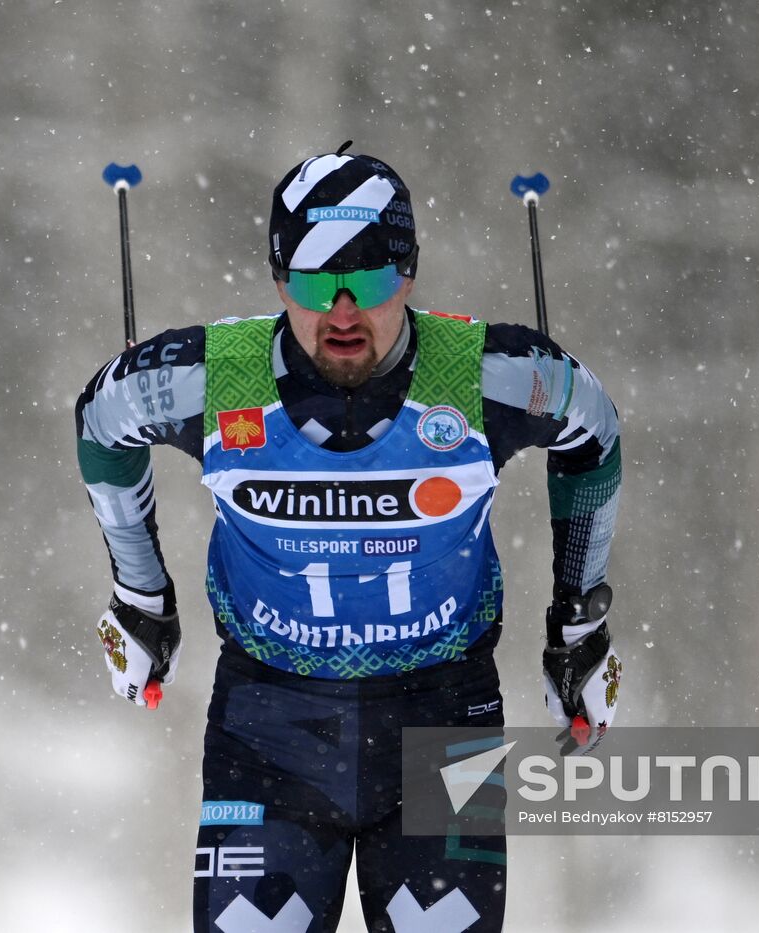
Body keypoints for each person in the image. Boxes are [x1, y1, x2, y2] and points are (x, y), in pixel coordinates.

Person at [75, 142, 623, 932]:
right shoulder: (217, 378)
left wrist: (581, 618)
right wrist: (139, 593)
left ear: (407, 275)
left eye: (366, 280)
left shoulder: (480, 375)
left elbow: (592, 430)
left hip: (443, 719)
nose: (340, 311)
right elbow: (103, 419)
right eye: (311, 280)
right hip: (268, 725)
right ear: (277, 280)